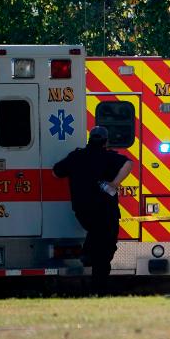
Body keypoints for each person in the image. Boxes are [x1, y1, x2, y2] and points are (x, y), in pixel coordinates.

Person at [52, 126, 133, 295]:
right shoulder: (108, 157)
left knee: (97, 238)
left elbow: (56, 172)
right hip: (106, 212)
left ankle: (88, 255)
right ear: (105, 141)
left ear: (89, 139)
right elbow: (128, 163)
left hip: (83, 212)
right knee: (105, 250)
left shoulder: (76, 156)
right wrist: (114, 184)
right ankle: (99, 286)